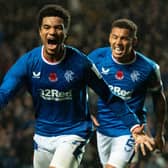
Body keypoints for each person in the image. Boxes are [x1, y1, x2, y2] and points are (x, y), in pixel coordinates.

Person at [0, 5, 154, 168]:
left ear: (66, 33)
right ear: (40, 32)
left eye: (58, 28)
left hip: (74, 132)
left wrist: (135, 126)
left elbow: (109, 96)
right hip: (43, 135)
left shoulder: (81, 64)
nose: (52, 32)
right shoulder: (29, 62)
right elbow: (5, 91)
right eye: (47, 27)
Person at [88, 18, 167, 168]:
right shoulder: (97, 57)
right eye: (115, 37)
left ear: (134, 41)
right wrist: (84, 110)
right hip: (103, 128)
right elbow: (76, 82)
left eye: (124, 38)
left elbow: (159, 99)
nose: (118, 43)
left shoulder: (149, 68)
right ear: (109, 38)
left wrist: (159, 133)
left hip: (132, 130)